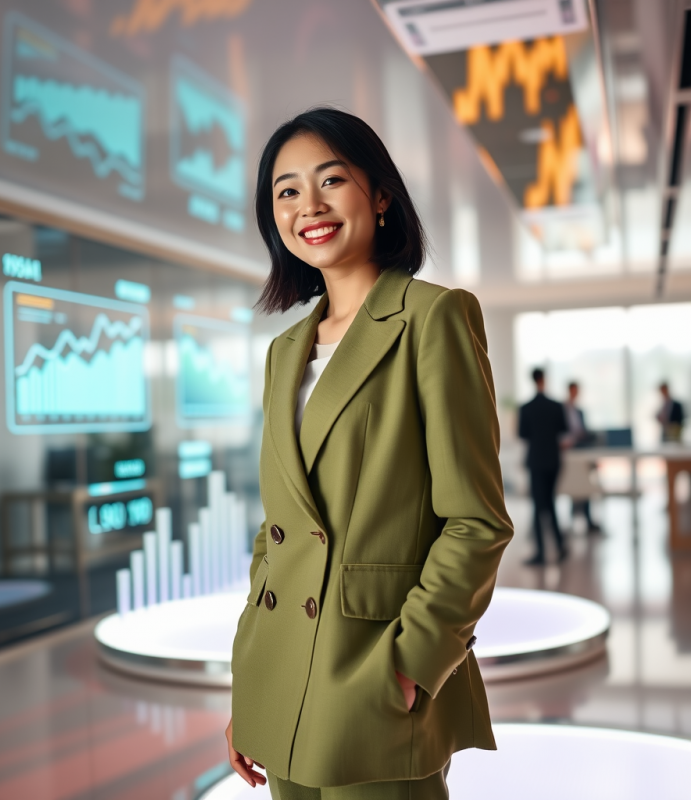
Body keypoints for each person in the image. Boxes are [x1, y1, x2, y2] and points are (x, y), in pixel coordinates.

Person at [226, 108, 513, 799]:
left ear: (380, 195)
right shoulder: (284, 351)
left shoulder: (432, 318)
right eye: (286, 191)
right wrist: (249, 684)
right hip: (282, 673)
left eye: (331, 180)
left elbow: (476, 520)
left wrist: (416, 659)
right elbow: (278, 532)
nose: (309, 207)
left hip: (376, 671)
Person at [518, 368, 568, 565]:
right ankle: (560, 545)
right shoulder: (556, 406)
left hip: (536, 461)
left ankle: (540, 552)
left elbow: (523, 434)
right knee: (550, 503)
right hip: (554, 460)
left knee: (538, 506)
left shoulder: (526, 408)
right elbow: (563, 429)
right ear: (544, 380)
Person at [563, 381, 601, 534]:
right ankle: (572, 519)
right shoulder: (562, 410)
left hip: (581, 451)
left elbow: (583, 431)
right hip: (569, 454)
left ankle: (587, 519)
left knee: (585, 486)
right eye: (573, 391)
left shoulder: (580, 412)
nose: (575, 393)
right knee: (572, 486)